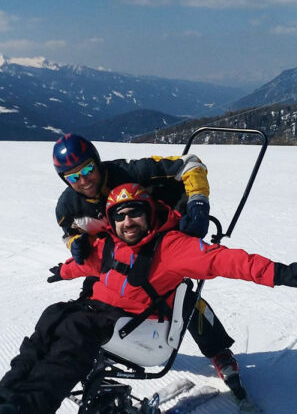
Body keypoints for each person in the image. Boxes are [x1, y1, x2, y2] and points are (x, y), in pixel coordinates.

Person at [0, 183, 297, 414]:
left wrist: (279, 272)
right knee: (55, 315)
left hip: (146, 330)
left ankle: (33, 407)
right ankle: (10, 388)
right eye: (120, 216)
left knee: (76, 328)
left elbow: (225, 261)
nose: (128, 222)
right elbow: (89, 263)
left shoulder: (171, 246)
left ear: (149, 212)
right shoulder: (111, 242)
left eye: (135, 212)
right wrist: (63, 271)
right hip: (108, 316)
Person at [52, 133, 242, 394]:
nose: (84, 180)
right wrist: (75, 242)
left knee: (179, 297)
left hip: (161, 237)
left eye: (87, 169)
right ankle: (96, 342)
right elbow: (68, 231)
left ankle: (218, 350)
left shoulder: (130, 171)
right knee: (94, 293)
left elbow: (192, 164)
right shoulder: (68, 205)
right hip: (117, 251)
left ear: (97, 162)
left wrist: (197, 204)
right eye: (73, 176)